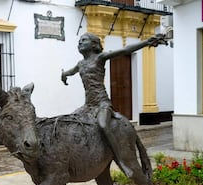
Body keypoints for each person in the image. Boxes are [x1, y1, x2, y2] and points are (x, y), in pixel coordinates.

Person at [61, 32, 167, 177]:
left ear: (93, 44)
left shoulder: (100, 58)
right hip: (88, 105)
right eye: (79, 40)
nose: (79, 43)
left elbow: (125, 50)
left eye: (83, 40)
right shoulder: (80, 64)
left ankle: (121, 160)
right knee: (71, 122)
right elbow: (70, 72)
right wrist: (63, 75)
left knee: (103, 125)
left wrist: (147, 42)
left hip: (102, 103)